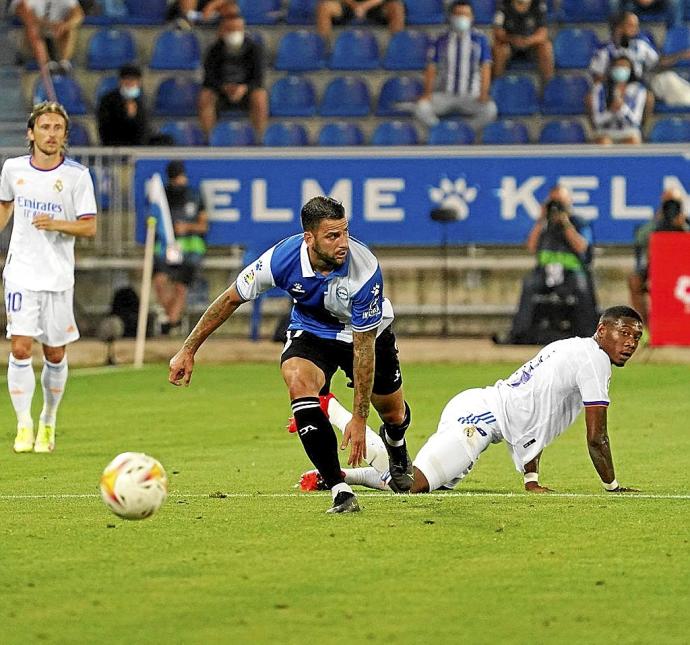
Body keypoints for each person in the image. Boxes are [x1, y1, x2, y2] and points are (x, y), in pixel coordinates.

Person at [168, 196, 413, 513]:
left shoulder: (364, 270)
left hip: (366, 335)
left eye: (345, 232)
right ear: (309, 238)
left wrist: (360, 416)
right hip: (313, 330)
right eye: (332, 236)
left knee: (392, 413)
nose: (343, 244)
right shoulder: (281, 259)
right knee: (298, 381)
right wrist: (188, 350)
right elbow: (230, 299)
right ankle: (339, 489)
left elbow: (363, 349)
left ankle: (396, 446)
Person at [410, 306, 643, 493]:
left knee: (429, 484)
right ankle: (375, 444)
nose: (631, 343)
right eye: (624, 333)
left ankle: (377, 456)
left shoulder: (572, 347)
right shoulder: (595, 362)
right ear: (602, 330)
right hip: (481, 416)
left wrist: (531, 479)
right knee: (414, 484)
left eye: (636, 337)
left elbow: (535, 412)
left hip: (478, 407)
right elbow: (596, 437)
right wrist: (612, 486)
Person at [0, 101, 97, 453]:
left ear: (65, 135)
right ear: (31, 132)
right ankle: (23, 424)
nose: (51, 134)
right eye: (45, 127)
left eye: (58, 128)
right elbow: (6, 204)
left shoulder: (76, 176)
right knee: (20, 346)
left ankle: (48, 420)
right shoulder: (12, 169)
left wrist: (56, 224)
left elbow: (89, 227)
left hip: (57, 277)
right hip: (21, 272)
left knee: (54, 353)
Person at [502, 185, 599, 345]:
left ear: (569, 201)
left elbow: (582, 247)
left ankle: (589, 333)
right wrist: (541, 219)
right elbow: (531, 246)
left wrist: (566, 223)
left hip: (571, 272)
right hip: (545, 272)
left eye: (560, 201)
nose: (556, 206)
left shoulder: (579, 222)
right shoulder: (544, 225)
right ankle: (519, 333)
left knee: (582, 287)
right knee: (529, 284)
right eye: (553, 202)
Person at [414, 0, 497, 131]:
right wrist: (427, 93)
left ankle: (466, 131)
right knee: (421, 107)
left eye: (465, 14)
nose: (461, 18)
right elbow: (431, 67)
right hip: (444, 94)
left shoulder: (480, 39)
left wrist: (484, 93)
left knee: (490, 110)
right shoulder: (440, 39)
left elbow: (486, 67)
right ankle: (440, 130)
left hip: (471, 96)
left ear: (472, 17)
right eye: (458, 14)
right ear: (451, 17)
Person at [590, 11, 690, 109]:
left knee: (668, 78)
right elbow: (597, 79)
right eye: (632, 26)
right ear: (619, 28)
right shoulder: (604, 51)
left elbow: (658, 62)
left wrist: (681, 55)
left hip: (639, 87)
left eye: (636, 26)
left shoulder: (640, 45)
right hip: (613, 90)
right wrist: (617, 87)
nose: (637, 30)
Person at [153, 161, 208, 336]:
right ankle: (172, 320)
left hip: (191, 248)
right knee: (160, 281)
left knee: (180, 287)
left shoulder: (195, 195)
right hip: (167, 247)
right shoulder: (163, 198)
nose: (180, 181)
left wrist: (187, 228)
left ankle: (169, 324)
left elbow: (203, 226)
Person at [198, 14, 268, 140]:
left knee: (260, 97)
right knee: (205, 96)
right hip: (221, 92)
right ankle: (210, 139)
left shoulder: (254, 49)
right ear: (222, 30)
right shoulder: (213, 50)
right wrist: (223, 87)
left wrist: (244, 88)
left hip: (246, 91)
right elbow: (209, 78)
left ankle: (259, 139)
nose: (235, 32)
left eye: (238, 29)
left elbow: (258, 78)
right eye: (231, 29)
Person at [628, 188, 689, 325]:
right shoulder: (653, 225)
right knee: (635, 280)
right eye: (668, 203)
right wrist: (658, 222)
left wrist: (683, 226)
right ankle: (647, 328)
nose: (671, 208)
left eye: (675, 203)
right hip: (658, 270)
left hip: (684, 273)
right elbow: (640, 239)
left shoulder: (686, 223)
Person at [97, 65, 172, 146]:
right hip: (118, 141)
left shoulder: (139, 100)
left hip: (139, 140)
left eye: (133, 80)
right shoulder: (108, 100)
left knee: (166, 140)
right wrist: (128, 116)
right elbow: (106, 128)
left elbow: (143, 126)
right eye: (127, 80)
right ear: (121, 81)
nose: (130, 84)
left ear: (139, 82)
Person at [492, 0, 554, 90]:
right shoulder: (502, 6)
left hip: (531, 45)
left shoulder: (539, 5)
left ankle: (549, 89)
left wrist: (528, 41)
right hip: (510, 44)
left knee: (546, 46)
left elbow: (543, 34)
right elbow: (497, 32)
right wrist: (512, 39)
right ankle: (497, 89)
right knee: (499, 49)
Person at [11, 0, 84, 74]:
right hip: (32, 35)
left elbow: (78, 14)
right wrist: (46, 25)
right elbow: (24, 13)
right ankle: (46, 63)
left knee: (70, 28)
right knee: (32, 28)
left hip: (55, 32)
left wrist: (64, 25)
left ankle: (63, 63)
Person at [587, 55, 647, 144]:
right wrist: (611, 112)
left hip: (629, 130)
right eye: (618, 66)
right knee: (604, 142)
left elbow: (636, 120)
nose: (621, 69)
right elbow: (597, 120)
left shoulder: (638, 90)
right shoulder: (600, 89)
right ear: (612, 69)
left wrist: (622, 108)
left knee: (633, 142)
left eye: (625, 67)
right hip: (606, 130)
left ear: (631, 70)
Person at [316, 0, 405, 44]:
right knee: (324, 7)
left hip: (375, 5)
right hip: (348, 5)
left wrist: (364, 6)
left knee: (396, 7)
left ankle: (397, 46)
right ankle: (322, 47)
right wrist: (355, 5)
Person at [608, 0, 683, 30]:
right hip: (633, 3)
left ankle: (675, 40)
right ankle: (619, 37)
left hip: (658, 3)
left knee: (674, 2)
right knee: (614, 1)